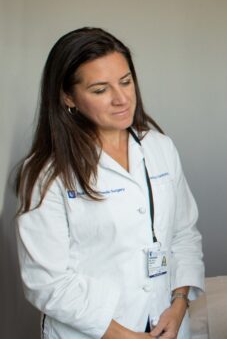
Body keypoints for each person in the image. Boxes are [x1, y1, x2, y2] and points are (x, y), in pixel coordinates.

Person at [15, 27, 204, 339]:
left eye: (126, 81)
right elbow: (46, 281)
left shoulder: (159, 148)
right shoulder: (46, 175)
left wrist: (179, 303)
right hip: (93, 331)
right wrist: (122, 335)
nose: (121, 98)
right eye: (100, 90)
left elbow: (184, 234)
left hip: (165, 321)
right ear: (68, 97)